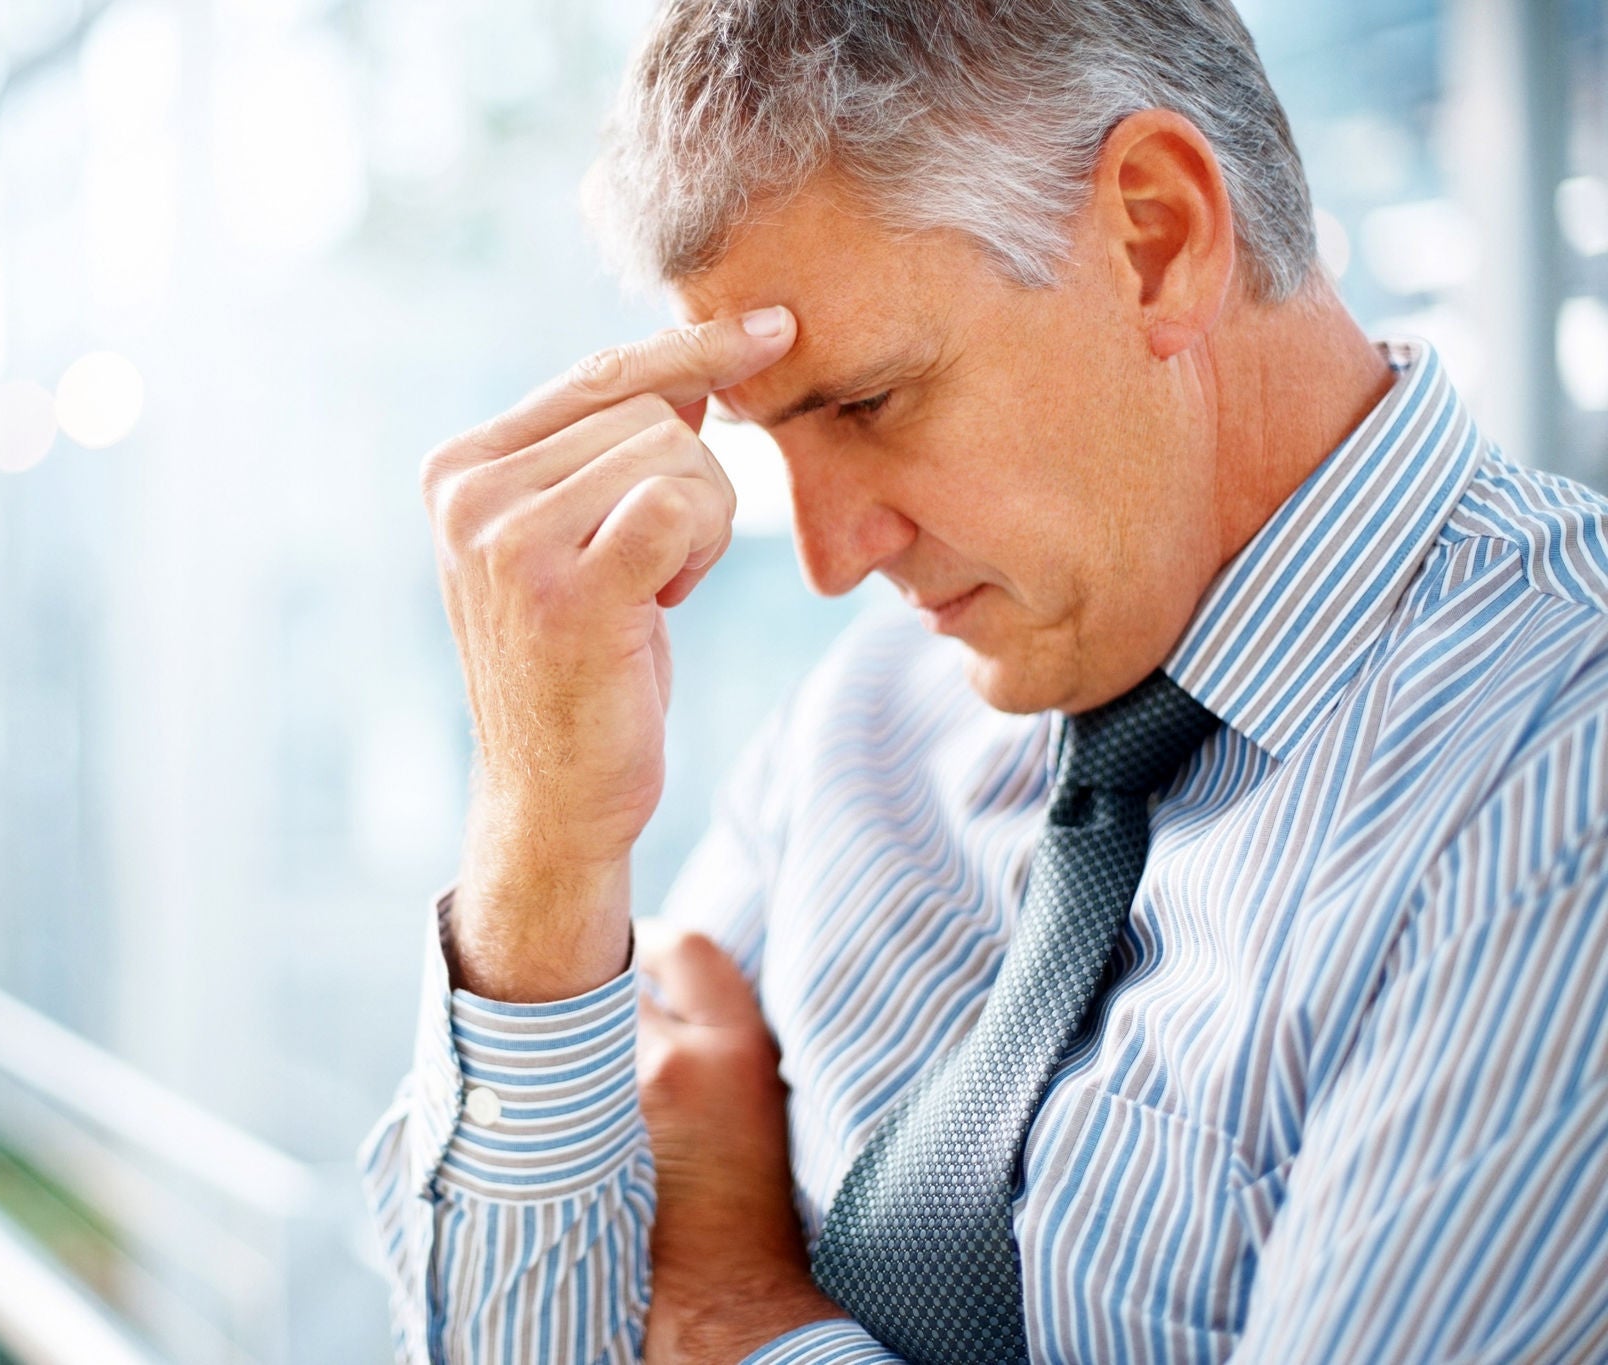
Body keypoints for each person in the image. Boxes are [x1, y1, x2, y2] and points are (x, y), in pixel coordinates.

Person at [360, 1, 1608, 1361]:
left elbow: (667, 1305)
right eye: (780, 441)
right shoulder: (871, 715)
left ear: (1158, 236)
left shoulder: (1559, 784)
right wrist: (544, 843)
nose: (834, 561)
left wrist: (737, 1309)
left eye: (868, 404)